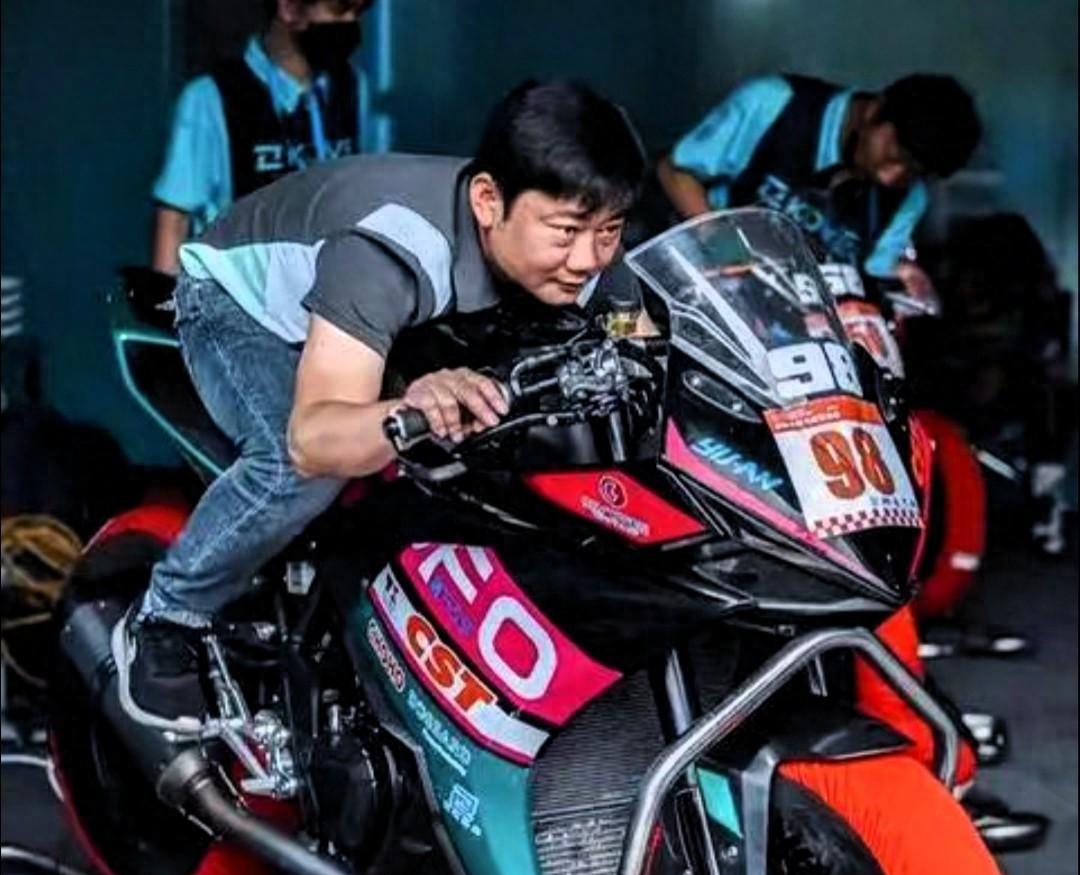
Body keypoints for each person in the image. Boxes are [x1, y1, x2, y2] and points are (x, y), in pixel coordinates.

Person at [114, 81, 648, 729]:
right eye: (566, 232)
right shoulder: (391, 249)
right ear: (488, 201)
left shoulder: (586, 256)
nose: (589, 259)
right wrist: (408, 406)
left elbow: (641, 345)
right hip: (242, 309)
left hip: (378, 323)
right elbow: (315, 437)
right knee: (298, 468)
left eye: (609, 230)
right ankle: (167, 615)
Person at [656, 73, 981, 282]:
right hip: (702, 279)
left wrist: (906, 279)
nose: (889, 177)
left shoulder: (909, 199)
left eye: (912, 173)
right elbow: (675, 170)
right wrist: (722, 242)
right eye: (894, 157)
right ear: (875, 110)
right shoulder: (774, 102)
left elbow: (876, 276)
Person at [150, 0, 375, 275]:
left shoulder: (352, 87)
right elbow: (174, 218)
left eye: (358, 12)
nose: (351, 23)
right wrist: (164, 297)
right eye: (339, 10)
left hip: (328, 284)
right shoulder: (211, 97)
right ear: (289, 8)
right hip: (243, 285)